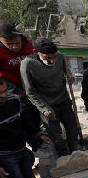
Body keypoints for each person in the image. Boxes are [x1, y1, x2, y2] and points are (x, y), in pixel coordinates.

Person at [0, 77, 52, 178]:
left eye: (4, 91)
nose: (3, 95)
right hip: (5, 155)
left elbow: (23, 123)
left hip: (21, 149)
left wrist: (37, 135)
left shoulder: (13, 100)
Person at [20, 37, 79, 156]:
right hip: (47, 105)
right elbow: (30, 92)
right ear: (36, 52)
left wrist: (70, 77)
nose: (52, 61)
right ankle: (63, 157)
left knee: (72, 128)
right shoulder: (27, 64)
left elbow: (66, 72)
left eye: (54, 57)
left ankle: (76, 152)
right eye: (47, 58)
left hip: (64, 100)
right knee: (55, 134)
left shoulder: (60, 57)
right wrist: (43, 108)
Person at [0, 20, 41, 151]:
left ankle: (42, 136)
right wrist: (15, 90)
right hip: (14, 90)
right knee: (25, 116)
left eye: (16, 43)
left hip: (32, 87)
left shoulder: (28, 44)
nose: (14, 47)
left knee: (38, 114)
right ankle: (36, 145)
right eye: (9, 44)